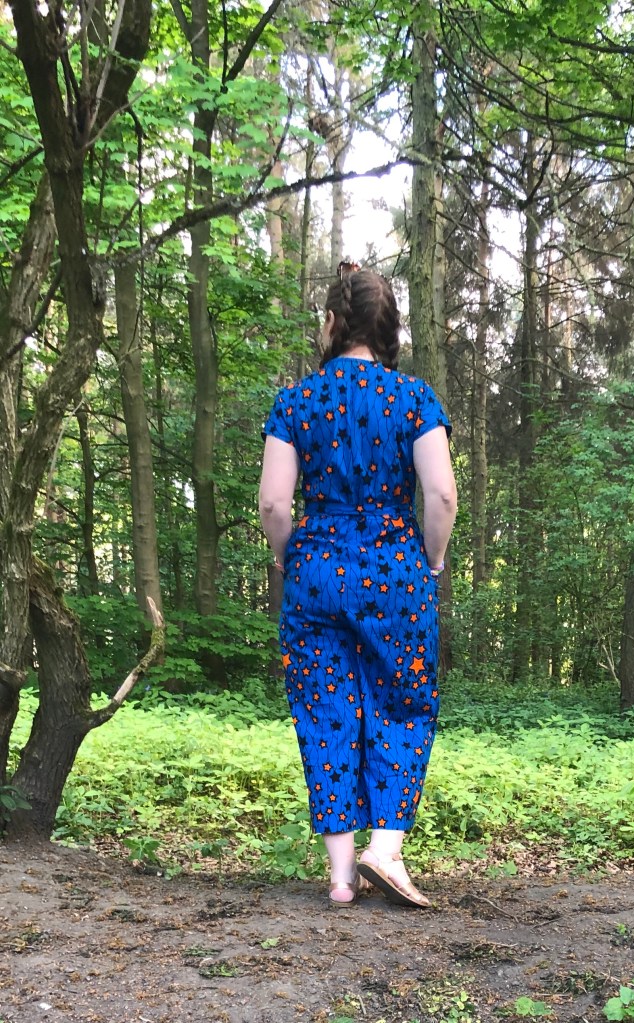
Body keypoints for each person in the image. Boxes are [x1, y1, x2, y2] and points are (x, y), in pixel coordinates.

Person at [259, 262, 457, 908]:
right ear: (387, 327)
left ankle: (343, 876)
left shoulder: (295, 402)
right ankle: (386, 848)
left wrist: (291, 558)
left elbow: (274, 504)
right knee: (403, 703)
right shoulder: (414, 399)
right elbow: (442, 495)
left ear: (332, 323)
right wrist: (431, 559)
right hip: (396, 569)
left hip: (317, 570)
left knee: (326, 712)